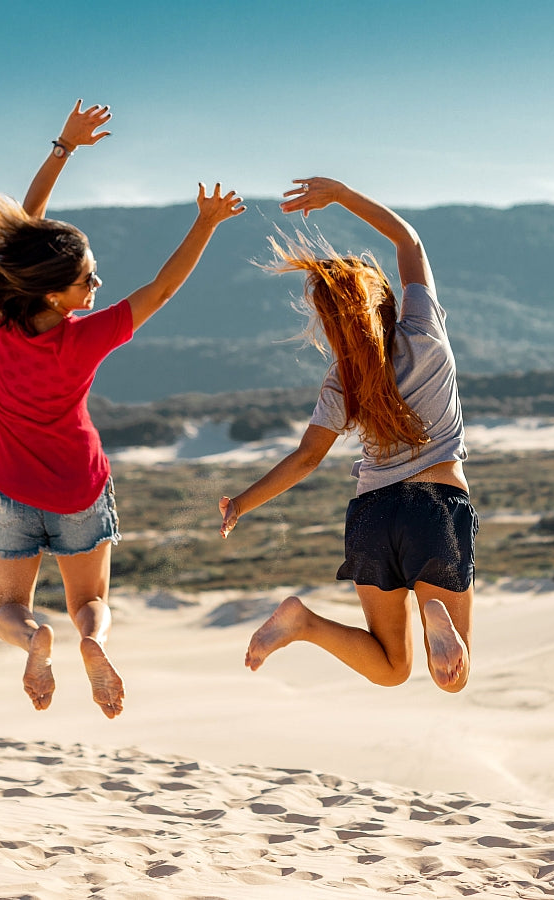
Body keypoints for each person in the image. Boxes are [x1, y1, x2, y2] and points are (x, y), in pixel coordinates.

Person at [0, 98, 245, 717]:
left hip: (10, 491)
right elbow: (162, 288)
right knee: (91, 603)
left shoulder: (8, 318)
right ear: (57, 294)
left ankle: (35, 640)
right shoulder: (85, 336)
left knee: (7, 609)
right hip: (80, 489)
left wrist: (63, 147)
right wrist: (206, 224)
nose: (97, 288)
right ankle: (91, 642)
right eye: (89, 280)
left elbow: (24, 227)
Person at [219, 177, 478, 694]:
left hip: (372, 516)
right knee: (451, 680)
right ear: (383, 298)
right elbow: (409, 242)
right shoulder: (422, 329)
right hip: (436, 507)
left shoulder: (343, 379)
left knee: (391, 668)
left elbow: (307, 458)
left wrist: (241, 504)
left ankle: (304, 622)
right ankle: (433, 608)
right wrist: (339, 194)